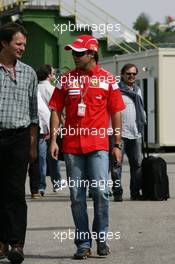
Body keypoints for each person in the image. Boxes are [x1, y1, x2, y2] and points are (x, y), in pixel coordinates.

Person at [49, 34, 125, 259]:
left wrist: (117, 144)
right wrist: (54, 139)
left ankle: (101, 239)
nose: (74, 56)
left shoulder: (108, 79)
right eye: (73, 52)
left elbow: (116, 112)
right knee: (77, 197)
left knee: (101, 192)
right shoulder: (65, 79)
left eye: (79, 53)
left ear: (92, 53)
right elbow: (55, 108)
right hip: (72, 147)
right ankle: (83, 243)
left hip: (99, 146)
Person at [0, 22, 38, 263]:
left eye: (24, 44)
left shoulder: (29, 73)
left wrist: (33, 145)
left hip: (19, 138)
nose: (22, 47)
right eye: (18, 43)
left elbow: (34, 114)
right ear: (4, 43)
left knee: (15, 192)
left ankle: (16, 244)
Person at [111, 63, 145, 202]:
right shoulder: (116, 90)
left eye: (134, 74)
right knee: (116, 165)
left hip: (136, 132)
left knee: (137, 165)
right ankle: (117, 192)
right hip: (120, 133)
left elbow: (140, 108)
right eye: (128, 74)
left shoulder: (138, 90)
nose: (131, 76)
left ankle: (135, 193)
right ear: (122, 75)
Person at [36, 64, 63, 196]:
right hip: (51, 128)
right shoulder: (52, 89)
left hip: (38, 129)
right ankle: (57, 183)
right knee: (54, 157)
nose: (54, 75)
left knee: (41, 159)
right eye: (53, 73)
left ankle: (41, 186)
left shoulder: (35, 88)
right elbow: (57, 110)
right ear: (49, 75)